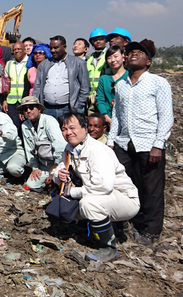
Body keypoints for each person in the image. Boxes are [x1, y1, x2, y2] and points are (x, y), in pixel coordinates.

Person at [108, 39, 173, 245]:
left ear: (148, 62)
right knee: (125, 185)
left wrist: (158, 144)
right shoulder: (121, 86)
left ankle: (151, 230)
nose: (133, 54)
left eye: (139, 52)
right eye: (131, 52)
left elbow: (166, 116)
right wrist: (111, 142)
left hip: (149, 145)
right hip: (124, 144)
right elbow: (117, 116)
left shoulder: (158, 83)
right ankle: (127, 221)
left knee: (151, 188)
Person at [53, 112, 139, 262]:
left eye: (73, 128)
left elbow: (103, 186)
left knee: (89, 204)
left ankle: (109, 248)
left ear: (84, 129)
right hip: (101, 196)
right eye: (64, 129)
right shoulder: (69, 149)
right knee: (59, 205)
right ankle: (91, 229)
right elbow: (59, 169)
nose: (68, 133)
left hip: (124, 197)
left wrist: (72, 192)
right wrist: (58, 175)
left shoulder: (99, 151)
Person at [33, 36, 90, 120]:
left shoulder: (78, 63)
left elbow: (85, 86)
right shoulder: (44, 64)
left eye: (56, 48)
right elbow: (37, 86)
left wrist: (78, 106)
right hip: (47, 109)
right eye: (51, 48)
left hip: (69, 109)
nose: (52, 50)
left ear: (64, 47)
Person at [18, 96, 67, 191]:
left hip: (57, 163)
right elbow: (29, 149)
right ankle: (48, 183)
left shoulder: (49, 120)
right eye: (25, 109)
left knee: (60, 185)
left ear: (39, 109)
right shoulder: (25, 126)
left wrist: (56, 165)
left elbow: (60, 144)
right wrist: (34, 167)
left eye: (31, 107)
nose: (28, 111)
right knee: (31, 184)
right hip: (43, 166)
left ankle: (53, 183)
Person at [96, 46, 128, 126]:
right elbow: (100, 100)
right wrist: (107, 118)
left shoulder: (130, 77)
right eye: (109, 58)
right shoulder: (104, 79)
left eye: (116, 56)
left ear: (123, 57)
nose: (113, 60)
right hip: (108, 119)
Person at [4, 41, 29, 124]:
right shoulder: (9, 64)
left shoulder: (30, 63)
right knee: (14, 126)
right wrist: (4, 100)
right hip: (11, 102)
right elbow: (5, 83)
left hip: (26, 101)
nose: (16, 51)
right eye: (14, 49)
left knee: (26, 126)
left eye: (19, 49)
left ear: (24, 50)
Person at [86, 28, 110, 113]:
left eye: (101, 39)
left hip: (104, 98)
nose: (98, 41)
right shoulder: (89, 59)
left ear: (106, 41)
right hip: (90, 99)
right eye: (95, 40)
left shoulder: (110, 56)